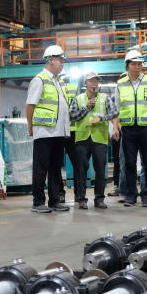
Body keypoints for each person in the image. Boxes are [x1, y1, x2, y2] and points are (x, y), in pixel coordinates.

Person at [25, 45, 71, 213]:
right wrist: (30, 126)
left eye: (63, 61)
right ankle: (38, 202)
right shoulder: (40, 80)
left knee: (55, 168)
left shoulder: (57, 81)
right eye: (60, 60)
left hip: (58, 132)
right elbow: (30, 105)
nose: (62, 63)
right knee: (41, 168)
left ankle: (54, 200)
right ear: (50, 60)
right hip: (44, 132)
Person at [69, 71, 120, 209]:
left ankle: (99, 199)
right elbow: (72, 116)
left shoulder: (105, 98)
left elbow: (115, 112)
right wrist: (87, 107)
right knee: (81, 170)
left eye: (96, 81)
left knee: (100, 171)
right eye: (91, 81)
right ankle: (81, 199)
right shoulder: (78, 99)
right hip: (82, 138)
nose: (94, 84)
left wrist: (102, 118)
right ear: (85, 83)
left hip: (99, 138)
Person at [116, 50, 147, 207]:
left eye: (139, 64)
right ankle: (131, 195)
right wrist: (118, 126)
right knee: (129, 163)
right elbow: (117, 107)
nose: (137, 67)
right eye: (134, 64)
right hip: (128, 129)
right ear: (127, 65)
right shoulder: (121, 84)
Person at [56, 73, 78, 204]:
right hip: (72, 131)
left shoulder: (54, 87)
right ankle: (79, 194)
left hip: (58, 131)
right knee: (78, 164)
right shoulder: (74, 88)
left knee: (56, 164)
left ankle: (60, 194)